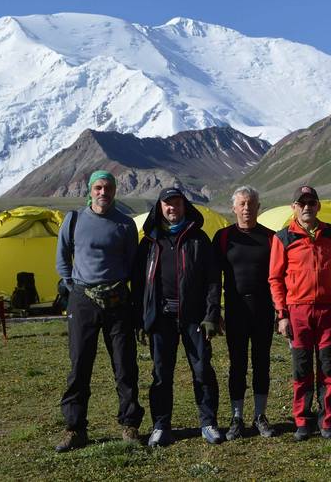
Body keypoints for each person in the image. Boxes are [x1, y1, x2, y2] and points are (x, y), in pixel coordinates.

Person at [54, 170, 144, 452]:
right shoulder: (74, 220)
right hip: (82, 299)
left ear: (115, 191)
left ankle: (129, 425)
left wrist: (119, 287)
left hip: (118, 300)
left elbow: (133, 264)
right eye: (98, 188)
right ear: (90, 191)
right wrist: (72, 287)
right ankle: (75, 428)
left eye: (108, 188)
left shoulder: (126, 225)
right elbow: (62, 257)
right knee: (79, 365)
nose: (103, 193)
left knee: (125, 364)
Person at [132, 187, 224, 446]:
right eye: (167, 204)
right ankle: (161, 426)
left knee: (202, 369)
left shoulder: (199, 239)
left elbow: (213, 280)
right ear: (159, 207)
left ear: (185, 206)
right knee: (161, 373)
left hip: (195, 318)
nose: (172, 208)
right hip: (161, 318)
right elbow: (138, 284)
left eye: (177, 203)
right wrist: (139, 319)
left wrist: (212, 313)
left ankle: (208, 423)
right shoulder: (149, 242)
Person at [269, 185, 331, 441]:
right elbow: (275, 278)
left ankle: (328, 420)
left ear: (318, 206)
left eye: (311, 202)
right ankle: (302, 420)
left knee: (328, 367)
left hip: (327, 311)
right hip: (297, 311)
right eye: (301, 203)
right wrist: (281, 314)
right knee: (301, 369)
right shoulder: (283, 238)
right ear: (294, 207)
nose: (306, 207)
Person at [213, 186, 276, 440]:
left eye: (251, 203)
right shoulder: (224, 237)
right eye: (242, 204)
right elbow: (213, 279)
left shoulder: (271, 238)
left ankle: (260, 415)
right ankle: (236, 417)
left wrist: (281, 311)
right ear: (234, 208)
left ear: (258, 206)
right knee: (237, 364)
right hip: (236, 310)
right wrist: (214, 310)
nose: (247, 208)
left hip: (263, 309)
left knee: (262, 362)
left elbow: (278, 277)